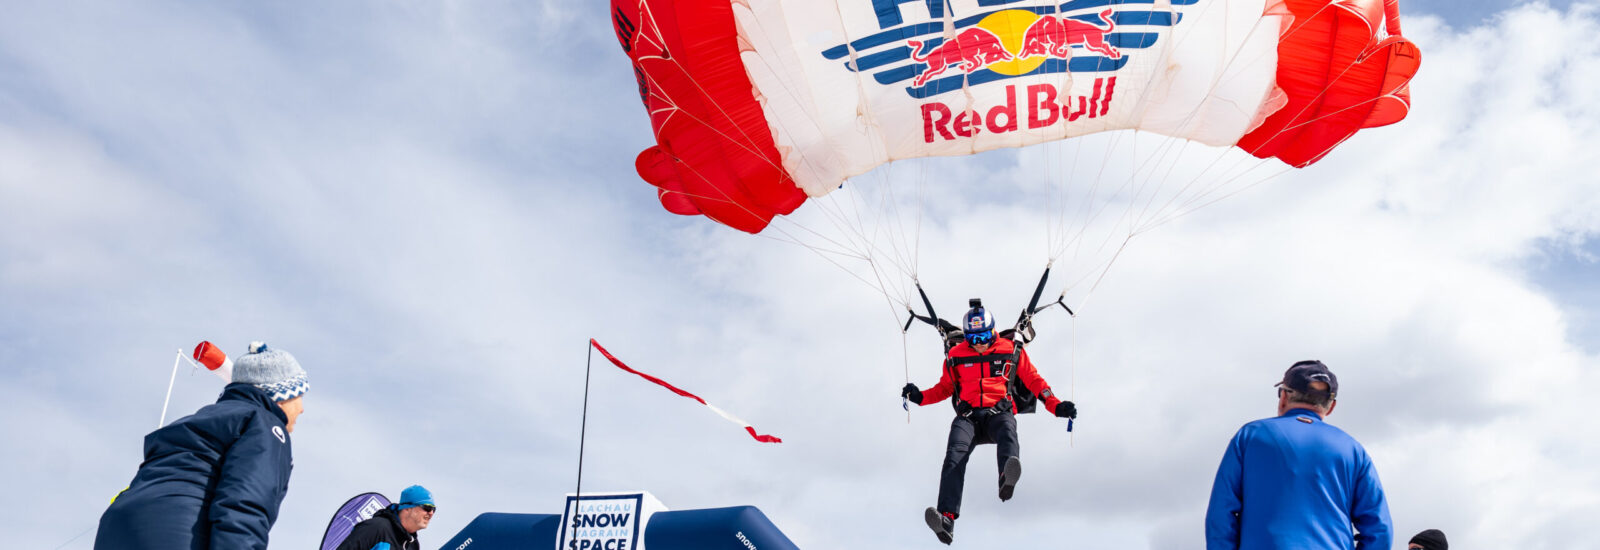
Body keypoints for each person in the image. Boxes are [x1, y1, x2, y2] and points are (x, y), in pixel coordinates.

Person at [95, 342, 309, 550]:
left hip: (116, 529)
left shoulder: (201, 419)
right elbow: (245, 503)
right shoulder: (264, 424)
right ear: (282, 396)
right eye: (300, 395)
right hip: (177, 530)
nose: (301, 409)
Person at [900, 300, 1076, 545]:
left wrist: (1055, 406)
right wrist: (919, 397)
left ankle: (1006, 476)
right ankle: (947, 519)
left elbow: (1035, 382)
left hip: (998, 412)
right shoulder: (955, 355)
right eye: (973, 339)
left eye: (983, 336)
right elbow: (944, 388)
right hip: (968, 417)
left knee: (1007, 432)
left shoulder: (1011, 350)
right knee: (954, 456)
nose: (979, 343)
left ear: (992, 331)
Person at [1205, 360, 1392, 549]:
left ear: (1284, 396)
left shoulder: (1250, 436)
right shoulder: (1353, 449)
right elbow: (1379, 528)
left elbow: (1221, 513)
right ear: (1331, 406)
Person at [336, 485, 437, 550]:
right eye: (427, 507)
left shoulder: (413, 545)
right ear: (407, 508)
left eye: (434, 509)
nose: (431, 513)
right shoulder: (376, 528)